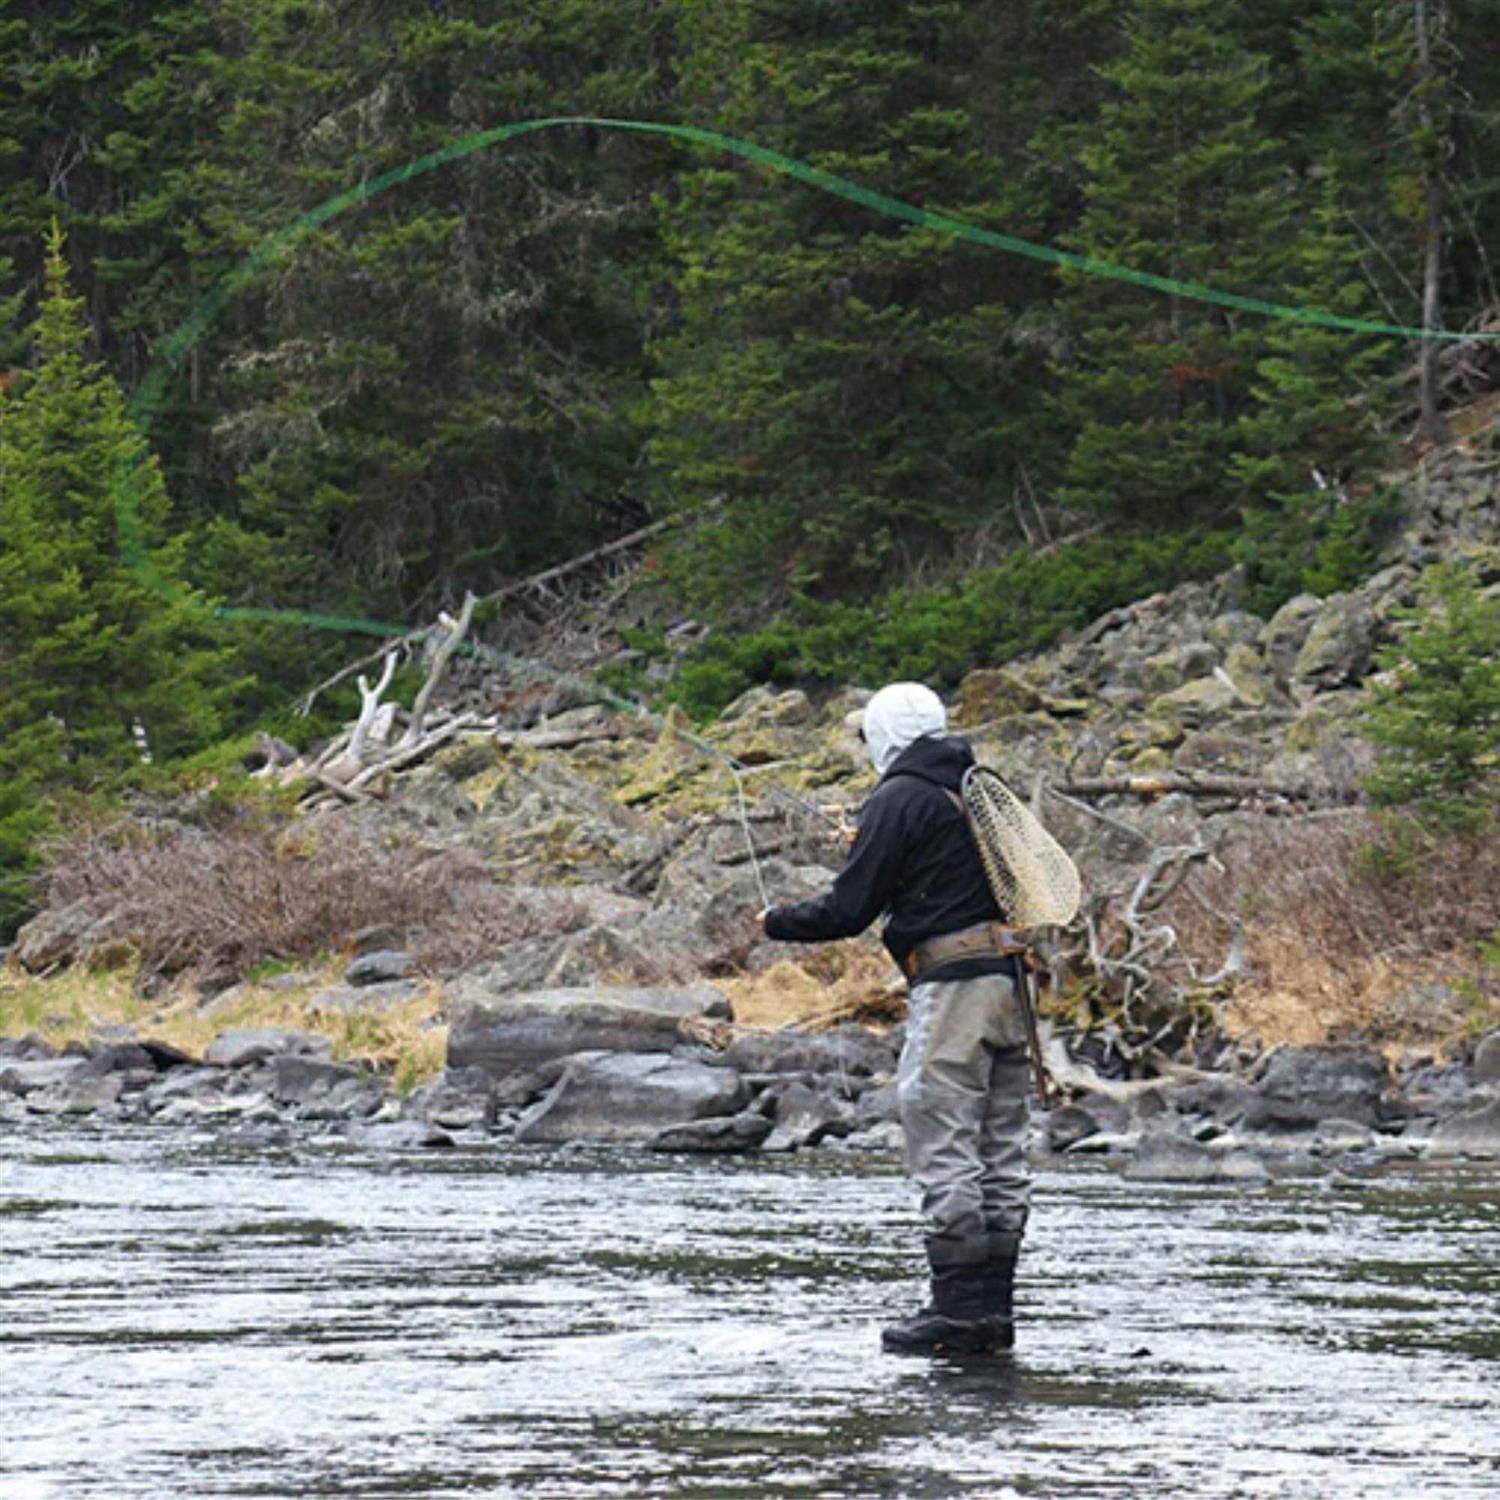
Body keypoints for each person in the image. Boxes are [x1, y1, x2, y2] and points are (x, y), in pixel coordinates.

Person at [760, 681, 1031, 1356]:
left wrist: (775, 922)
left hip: (954, 989)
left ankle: (957, 1314)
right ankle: (992, 1313)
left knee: (943, 1134)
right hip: (1013, 987)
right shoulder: (978, 788)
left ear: (881, 733)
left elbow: (849, 908)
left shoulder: (899, 796)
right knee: (1000, 1149)